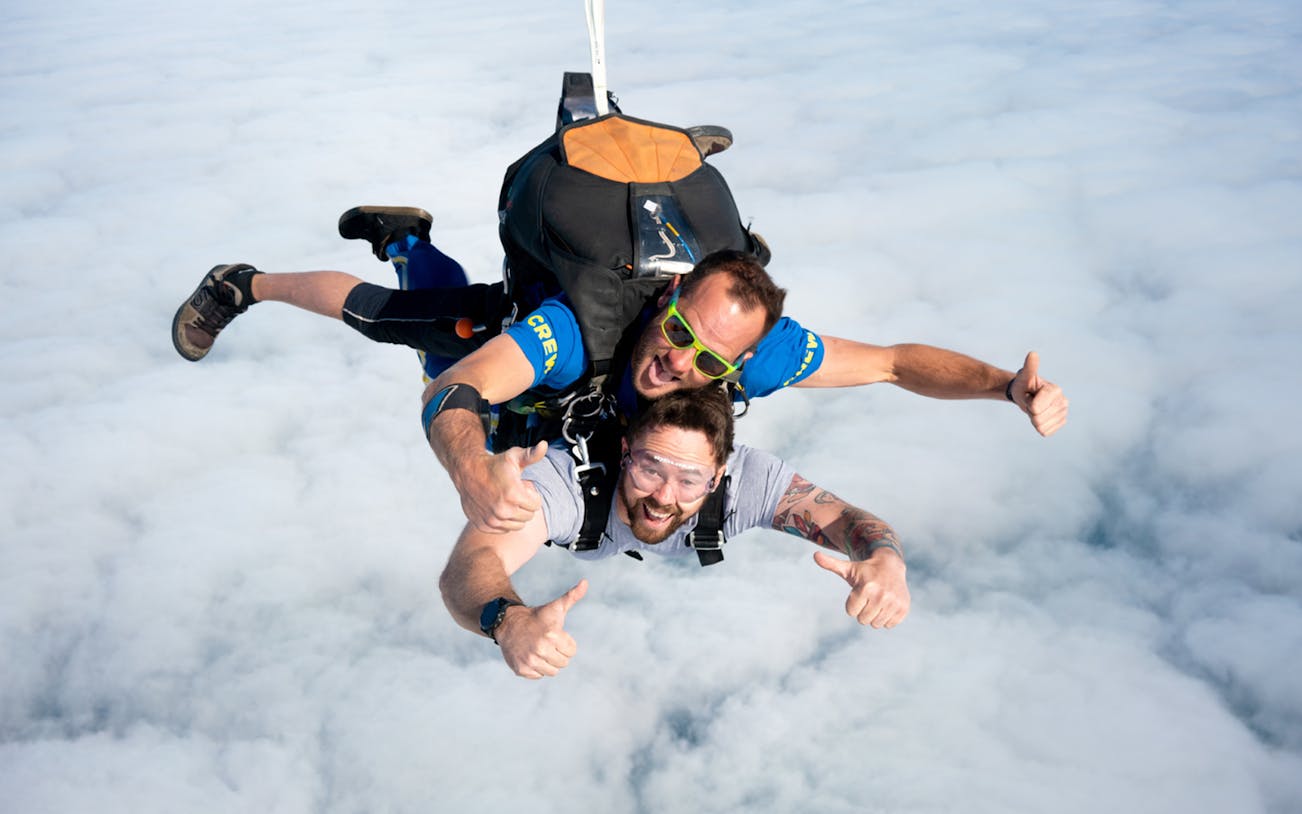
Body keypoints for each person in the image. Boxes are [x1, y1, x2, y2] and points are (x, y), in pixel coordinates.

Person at [171, 207, 1069, 536]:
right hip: (522, 352)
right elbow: (456, 392)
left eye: (709, 358)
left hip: (570, 399)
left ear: (740, 360)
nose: (678, 361)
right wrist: (470, 469)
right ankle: (246, 281)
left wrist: (1003, 386)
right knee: (400, 325)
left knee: (435, 320)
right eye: (678, 330)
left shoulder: (763, 357)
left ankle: (411, 238)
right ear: (669, 297)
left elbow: (898, 365)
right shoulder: (574, 332)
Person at [438, 386, 910, 679]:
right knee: (446, 363)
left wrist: (886, 560)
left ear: (718, 476)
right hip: (504, 411)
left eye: (690, 480)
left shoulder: (747, 484)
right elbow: (469, 566)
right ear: (625, 452)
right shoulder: (568, 483)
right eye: (649, 468)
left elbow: (848, 521)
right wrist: (509, 621)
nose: (664, 496)